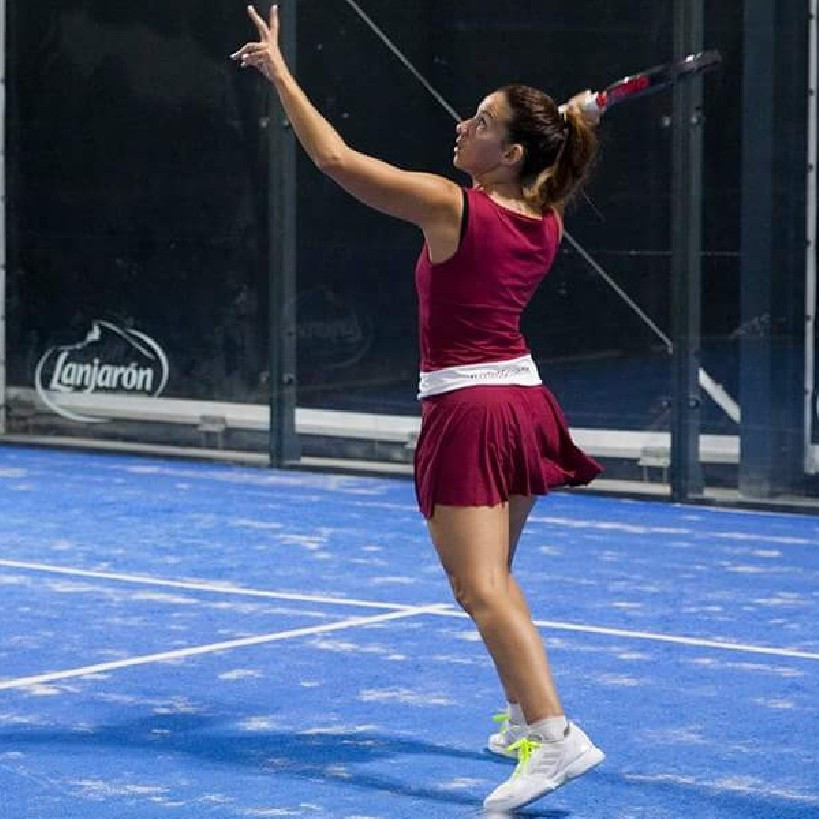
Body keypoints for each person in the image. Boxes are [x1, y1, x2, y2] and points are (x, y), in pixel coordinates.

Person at [232, 5, 605, 812]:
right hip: (524, 403)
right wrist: (562, 122)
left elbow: (333, 159)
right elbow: (548, 164)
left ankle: (554, 736)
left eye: (482, 122)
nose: (462, 126)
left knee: (478, 588)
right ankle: (523, 714)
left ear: (511, 154)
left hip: (471, 411)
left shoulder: (451, 205)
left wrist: (279, 72)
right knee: (496, 579)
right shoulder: (544, 216)